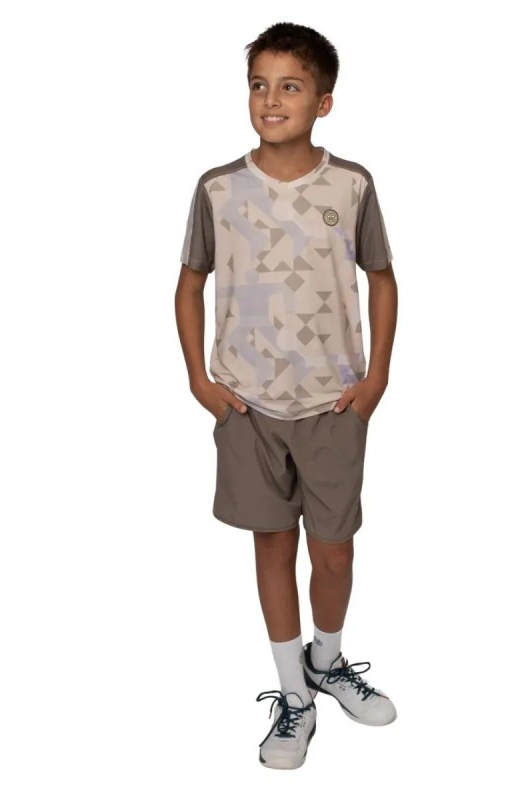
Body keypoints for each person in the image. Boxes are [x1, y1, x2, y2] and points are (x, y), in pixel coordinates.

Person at [174, 21, 399, 770]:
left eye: (290, 87)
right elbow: (189, 283)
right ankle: (293, 696)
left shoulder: (352, 185)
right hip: (248, 406)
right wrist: (201, 382)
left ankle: (325, 661)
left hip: (333, 404)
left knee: (333, 554)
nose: (271, 100)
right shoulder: (218, 188)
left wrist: (375, 379)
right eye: (259, 85)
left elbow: (382, 279)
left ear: (323, 102)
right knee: (272, 547)